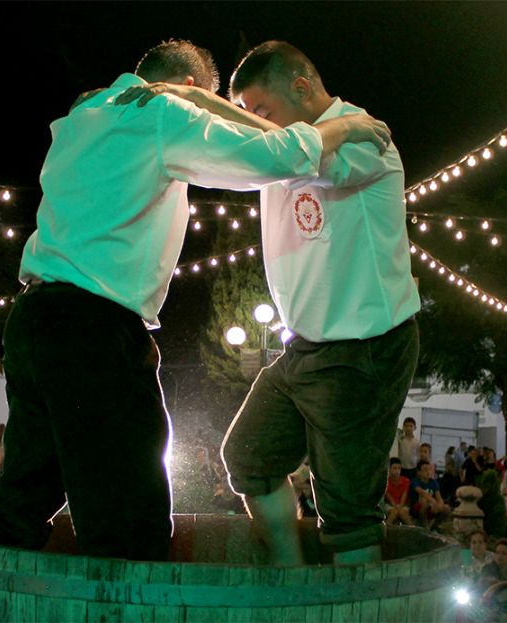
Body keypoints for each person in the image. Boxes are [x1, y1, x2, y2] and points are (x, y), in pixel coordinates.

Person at [0, 39, 391, 561]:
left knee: (24, 496)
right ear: (192, 91)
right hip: (94, 328)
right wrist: (342, 128)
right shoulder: (161, 112)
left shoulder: (84, 112)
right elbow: (272, 158)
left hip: (32, 319)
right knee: (129, 512)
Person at [131, 39, 417, 566]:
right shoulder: (293, 140)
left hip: (363, 347)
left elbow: (308, 158)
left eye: (260, 111)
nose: (253, 125)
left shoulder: (365, 135)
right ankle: (292, 576)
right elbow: (265, 148)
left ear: (302, 87)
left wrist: (219, 108)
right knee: (247, 458)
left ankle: (352, 606)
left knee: (347, 511)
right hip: (304, 347)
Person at [410, 459, 450, 530]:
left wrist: (439, 506)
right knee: (424, 501)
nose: (428, 472)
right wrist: (433, 502)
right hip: (418, 507)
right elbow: (422, 492)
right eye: (425, 470)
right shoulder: (415, 481)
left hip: (431, 506)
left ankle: (433, 526)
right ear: (419, 472)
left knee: (446, 508)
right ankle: (424, 527)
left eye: (429, 469)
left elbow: (439, 497)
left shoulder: (433, 482)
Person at [384, 457, 414, 527]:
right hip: (390, 505)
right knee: (394, 512)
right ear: (389, 469)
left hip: (403, 505)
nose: (397, 471)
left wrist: (400, 506)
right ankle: (386, 529)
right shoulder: (386, 481)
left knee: (402, 512)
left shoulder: (406, 480)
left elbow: (405, 494)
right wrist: (395, 506)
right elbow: (388, 496)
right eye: (395, 468)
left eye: (399, 468)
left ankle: (413, 528)